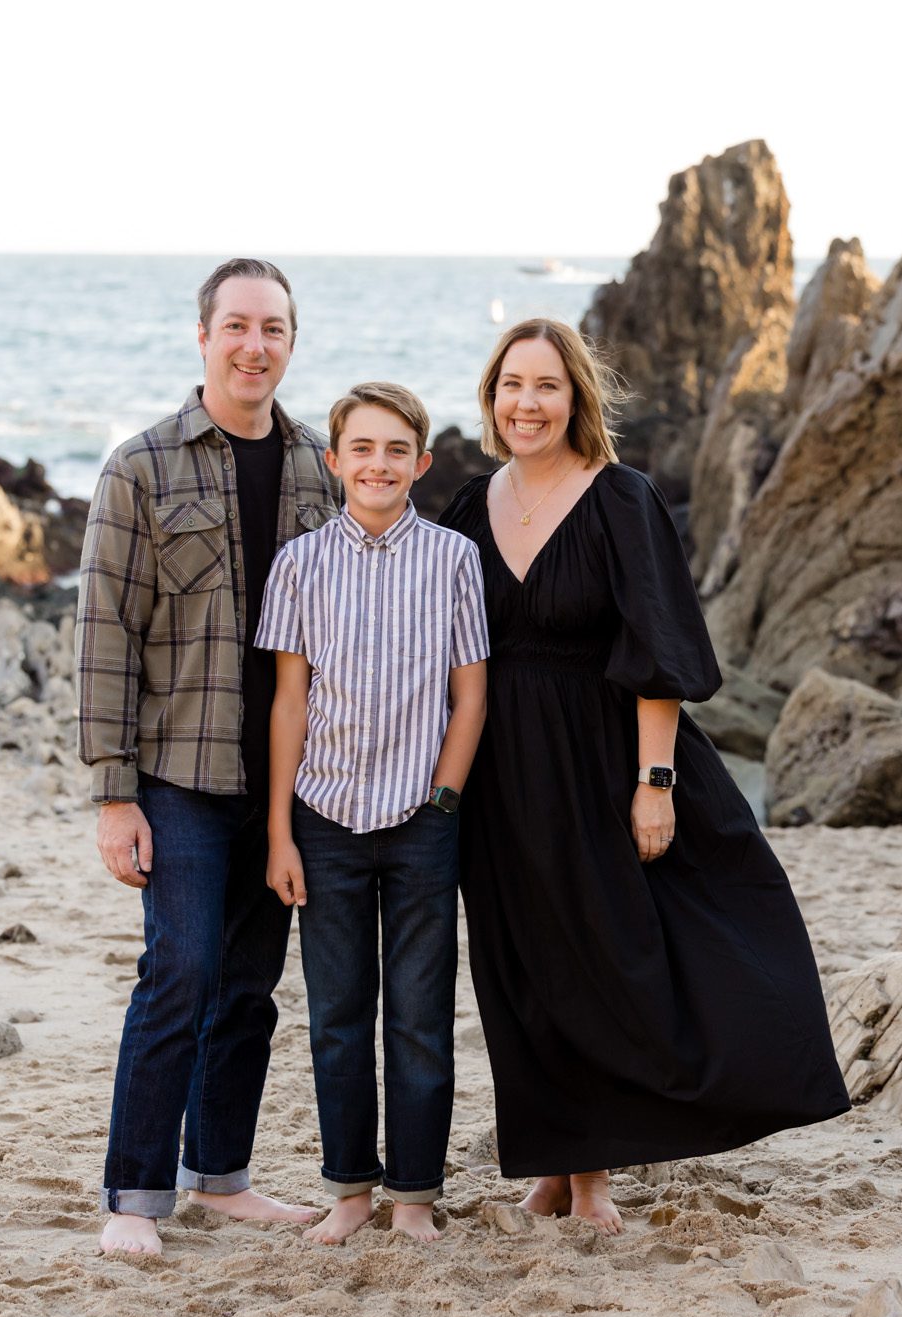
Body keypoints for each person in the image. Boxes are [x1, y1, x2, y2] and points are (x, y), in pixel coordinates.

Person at [438, 318, 851, 1233]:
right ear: (491, 397)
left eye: (546, 386)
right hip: (503, 771)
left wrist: (654, 779)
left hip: (604, 757)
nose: (526, 403)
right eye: (512, 386)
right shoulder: (469, 505)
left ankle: (594, 1180)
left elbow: (658, 646)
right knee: (521, 964)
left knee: (608, 957)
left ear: (576, 396)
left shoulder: (621, 498)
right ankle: (552, 1161)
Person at [75, 258, 340, 1257]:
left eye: (273, 328)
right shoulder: (138, 467)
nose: (253, 345)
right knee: (177, 973)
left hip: (285, 785)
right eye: (236, 326)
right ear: (202, 337)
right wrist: (112, 796)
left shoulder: (320, 468)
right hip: (178, 780)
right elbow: (103, 635)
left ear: (289, 341)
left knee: (247, 990)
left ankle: (219, 1177)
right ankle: (133, 1197)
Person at [257, 381, 489, 1245]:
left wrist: (446, 797)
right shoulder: (301, 564)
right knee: (339, 1017)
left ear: (421, 464)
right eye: (362, 448)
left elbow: (471, 697)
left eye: (397, 450)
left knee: (422, 1016)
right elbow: (289, 703)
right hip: (324, 818)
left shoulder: (454, 560)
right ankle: (350, 1190)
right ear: (335, 460)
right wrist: (281, 830)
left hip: (424, 820)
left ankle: (416, 1197)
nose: (379, 464)